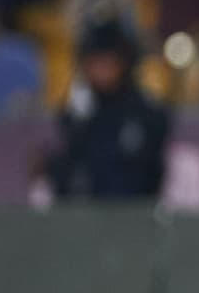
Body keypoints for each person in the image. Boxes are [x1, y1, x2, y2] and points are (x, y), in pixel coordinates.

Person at [43, 16, 169, 199]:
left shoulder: (146, 113)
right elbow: (66, 173)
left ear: (124, 63)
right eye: (95, 62)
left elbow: (149, 175)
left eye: (108, 62)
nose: (102, 70)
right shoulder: (77, 112)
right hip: (83, 216)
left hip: (132, 216)